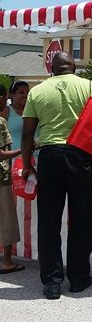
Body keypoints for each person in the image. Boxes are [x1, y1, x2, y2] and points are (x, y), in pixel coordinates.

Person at [21, 52, 92, 300]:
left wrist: (28, 162)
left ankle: (51, 283)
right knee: (81, 218)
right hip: (80, 156)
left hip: (50, 157)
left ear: (51, 67)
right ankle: (79, 279)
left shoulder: (38, 91)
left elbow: (28, 131)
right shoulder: (90, 86)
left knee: (49, 222)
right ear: (74, 67)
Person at [0, 84, 26, 274]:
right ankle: (7, 262)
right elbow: (1, 154)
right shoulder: (1, 120)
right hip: (3, 176)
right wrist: (24, 150)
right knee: (7, 218)